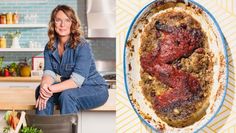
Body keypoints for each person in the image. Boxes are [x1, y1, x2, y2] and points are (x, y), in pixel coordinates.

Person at [35, 5, 109, 115]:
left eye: (67, 20)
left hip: (95, 88)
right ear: (53, 23)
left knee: (67, 96)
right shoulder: (49, 46)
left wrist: (50, 89)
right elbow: (49, 73)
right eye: (58, 20)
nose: (62, 25)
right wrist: (45, 87)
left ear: (72, 23)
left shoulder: (82, 46)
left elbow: (76, 80)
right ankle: (43, 129)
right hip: (70, 88)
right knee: (39, 90)